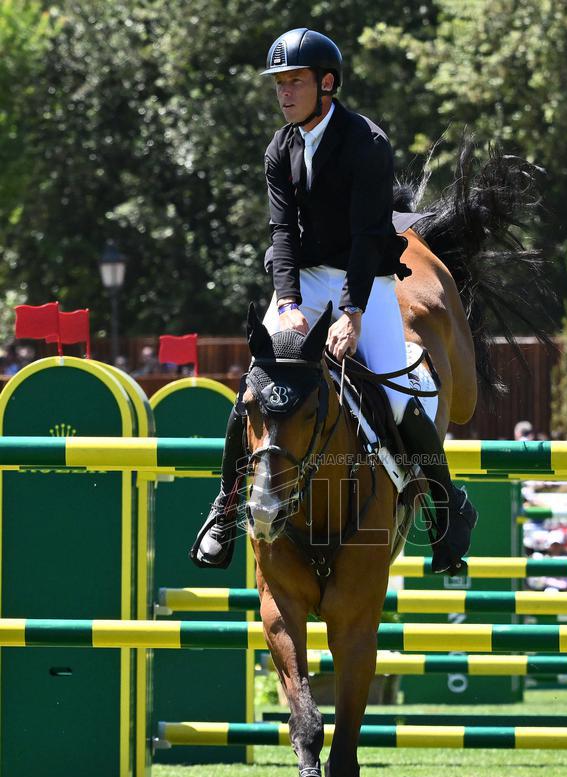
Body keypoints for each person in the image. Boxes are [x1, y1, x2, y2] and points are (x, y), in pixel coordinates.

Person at [190, 27, 476, 572]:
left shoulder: (367, 142)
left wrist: (353, 313)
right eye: (279, 83)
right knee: (255, 387)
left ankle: (446, 506)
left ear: (327, 84)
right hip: (302, 282)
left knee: (395, 393)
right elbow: (280, 235)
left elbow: (370, 237)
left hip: (366, 279)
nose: (284, 92)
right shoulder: (280, 147)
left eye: (294, 81)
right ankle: (225, 507)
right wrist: (289, 300)